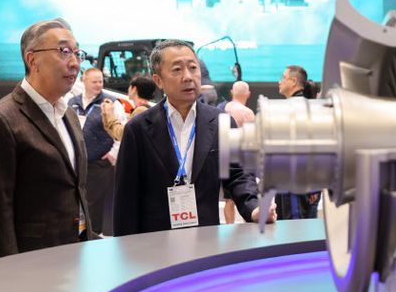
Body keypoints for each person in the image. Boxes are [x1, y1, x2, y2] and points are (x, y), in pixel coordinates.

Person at [114, 39, 276, 236]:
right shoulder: (138, 129)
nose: (188, 77)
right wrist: (126, 246)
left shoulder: (221, 121)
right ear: (158, 80)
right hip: (155, 241)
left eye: (193, 68)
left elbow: (237, 174)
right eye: (177, 70)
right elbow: (126, 196)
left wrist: (254, 208)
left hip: (206, 238)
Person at [0, 19, 95, 259]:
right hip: (34, 259)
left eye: (77, 53)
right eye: (64, 51)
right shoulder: (1, 119)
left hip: (78, 250)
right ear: (32, 60)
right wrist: (8, 271)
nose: (75, 63)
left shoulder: (68, 115)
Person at [68, 67, 124, 235]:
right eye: (94, 82)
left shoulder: (111, 103)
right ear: (84, 81)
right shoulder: (72, 102)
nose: (99, 85)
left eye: (101, 81)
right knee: (76, 202)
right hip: (76, 163)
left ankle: (94, 237)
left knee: (94, 206)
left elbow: (122, 131)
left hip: (99, 163)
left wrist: (113, 155)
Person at [276, 65, 321, 219]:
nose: (279, 81)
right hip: (292, 182)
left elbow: (314, 148)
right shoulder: (302, 107)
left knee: (295, 229)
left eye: (283, 77)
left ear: (293, 81)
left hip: (297, 183)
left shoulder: (298, 109)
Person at [221, 81, 256, 223]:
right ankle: (250, 221)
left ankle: (229, 225)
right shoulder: (248, 113)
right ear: (248, 94)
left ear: (231, 92)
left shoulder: (222, 109)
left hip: (226, 157)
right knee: (247, 194)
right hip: (244, 159)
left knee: (228, 199)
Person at [101, 75, 156, 141]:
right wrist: (106, 115)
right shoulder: (143, 109)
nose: (128, 89)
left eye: (130, 86)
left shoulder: (141, 110)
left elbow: (124, 135)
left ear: (134, 89)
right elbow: (117, 136)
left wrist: (110, 114)